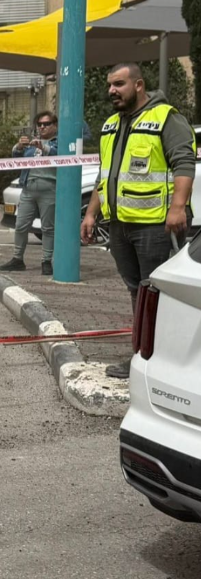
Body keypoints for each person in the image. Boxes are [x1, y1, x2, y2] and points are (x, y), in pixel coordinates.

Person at [81, 62, 196, 379]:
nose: (111, 91)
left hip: (156, 226)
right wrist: (91, 213)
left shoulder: (166, 119)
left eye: (118, 84)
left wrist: (178, 207)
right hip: (120, 226)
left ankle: (158, 361)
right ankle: (144, 356)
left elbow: (184, 164)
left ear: (139, 84)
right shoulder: (111, 125)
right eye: (109, 85)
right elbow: (105, 178)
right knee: (138, 290)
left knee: (158, 292)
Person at [0, 111, 59, 275]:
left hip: (49, 188)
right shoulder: (32, 144)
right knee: (20, 225)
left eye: (46, 124)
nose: (42, 127)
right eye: (39, 124)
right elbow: (17, 159)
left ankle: (46, 261)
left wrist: (44, 147)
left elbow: (60, 155)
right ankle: (17, 259)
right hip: (28, 188)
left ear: (55, 126)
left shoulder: (59, 142)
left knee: (48, 228)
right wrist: (19, 147)